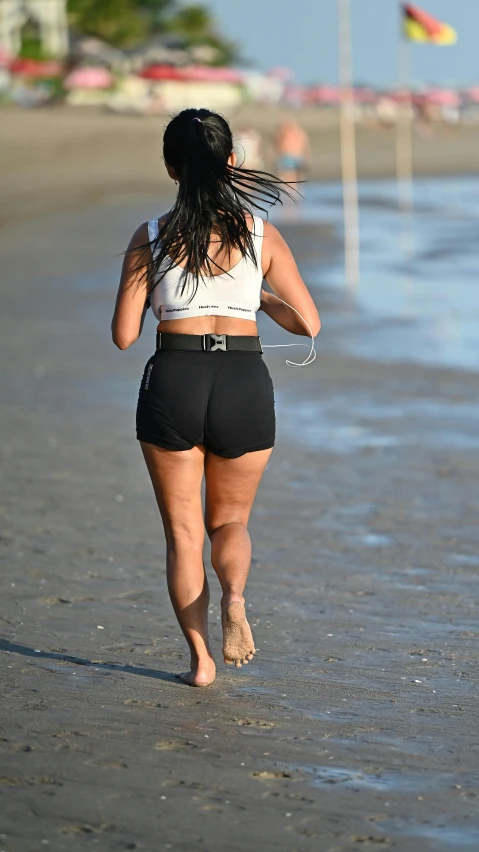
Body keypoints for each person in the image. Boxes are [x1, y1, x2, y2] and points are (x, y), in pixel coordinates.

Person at [111, 108, 320, 687]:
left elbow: (125, 336)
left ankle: (201, 663)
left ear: (171, 169)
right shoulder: (261, 234)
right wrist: (257, 300)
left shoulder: (150, 236)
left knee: (182, 534)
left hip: (174, 376)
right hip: (243, 381)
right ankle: (234, 596)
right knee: (229, 522)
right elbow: (309, 323)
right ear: (233, 162)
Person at [275, 118, 311, 183]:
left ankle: (291, 189)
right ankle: (292, 189)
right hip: (291, 156)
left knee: (291, 175)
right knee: (290, 175)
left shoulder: (286, 133)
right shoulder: (298, 133)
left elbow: (305, 145)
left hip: (293, 156)